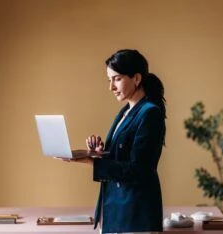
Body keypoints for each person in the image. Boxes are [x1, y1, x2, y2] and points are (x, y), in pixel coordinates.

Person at [66, 49, 166, 234]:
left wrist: (92, 162)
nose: (111, 87)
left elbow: (139, 170)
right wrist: (100, 152)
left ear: (136, 78)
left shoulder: (150, 112)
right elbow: (123, 157)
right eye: (109, 80)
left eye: (117, 79)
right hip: (116, 211)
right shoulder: (125, 111)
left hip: (135, 216)